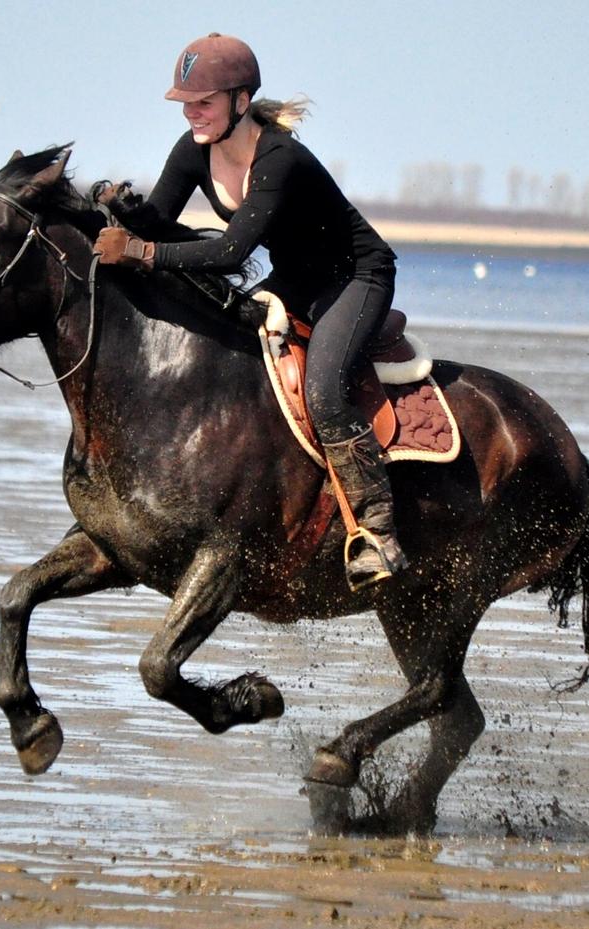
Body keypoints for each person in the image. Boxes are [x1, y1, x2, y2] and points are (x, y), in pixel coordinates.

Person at [93, 32, 407, 591]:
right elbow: (160, 224)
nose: (192, 113)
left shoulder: (280, 157)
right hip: (295, 280)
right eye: (186, 102)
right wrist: (122, 214)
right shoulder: (192, 148)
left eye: (204, 102)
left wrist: (141, 252)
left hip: (356, 278)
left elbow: (230, 252)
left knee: (324, 388)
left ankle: (376, 533)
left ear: (241, 101)